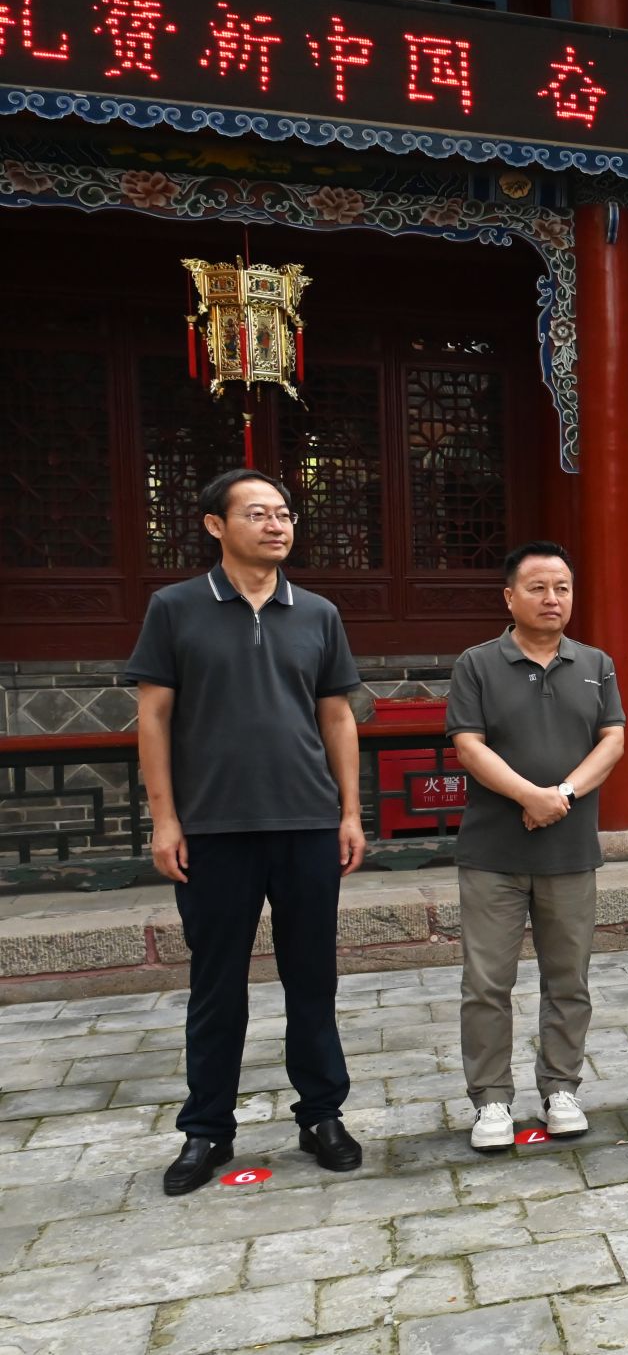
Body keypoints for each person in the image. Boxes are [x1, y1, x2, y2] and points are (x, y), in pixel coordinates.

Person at [127, 468, 365, 1194]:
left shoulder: (317, 612)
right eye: (258, 513)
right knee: (216, 985)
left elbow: (337, 716)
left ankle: (321, 1115)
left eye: (284, 514)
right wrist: (165, 818)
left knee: (312, 978)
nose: (276, 525)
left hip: (307, 823)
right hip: (213, 828)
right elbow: (153, 717)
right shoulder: (175, 608)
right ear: (215, 525)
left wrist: (349, 811)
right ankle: (207, 1128)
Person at [446, 542, 626, 1151]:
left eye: (563, 588)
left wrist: (561, 796)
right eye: (538, 587)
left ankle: (561, 1088)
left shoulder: (596, 663)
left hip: (569, 852)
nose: (553, 599)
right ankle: (491, 1099)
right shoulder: (477, 664)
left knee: (568, 979)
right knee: (486, 984)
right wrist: (529, 795)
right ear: (509, 596)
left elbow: (613, 740)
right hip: (492, 854)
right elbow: (468, 745)